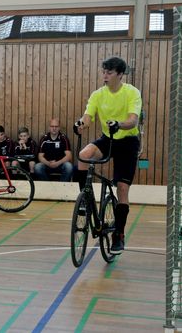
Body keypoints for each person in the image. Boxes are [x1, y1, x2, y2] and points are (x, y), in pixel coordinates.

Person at [74, 56, 142, 255]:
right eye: (103, 72)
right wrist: (81, 124)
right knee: (83, 155)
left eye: (109, 73)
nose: (105, 76)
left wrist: (118, 124)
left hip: (127, 142)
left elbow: (133, 120)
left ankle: (118, 235)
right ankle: (86, 201)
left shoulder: (131, 92)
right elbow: (88, 117)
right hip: (108, 139)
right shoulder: (98, 94)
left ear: (120, 75)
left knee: (122, 188)